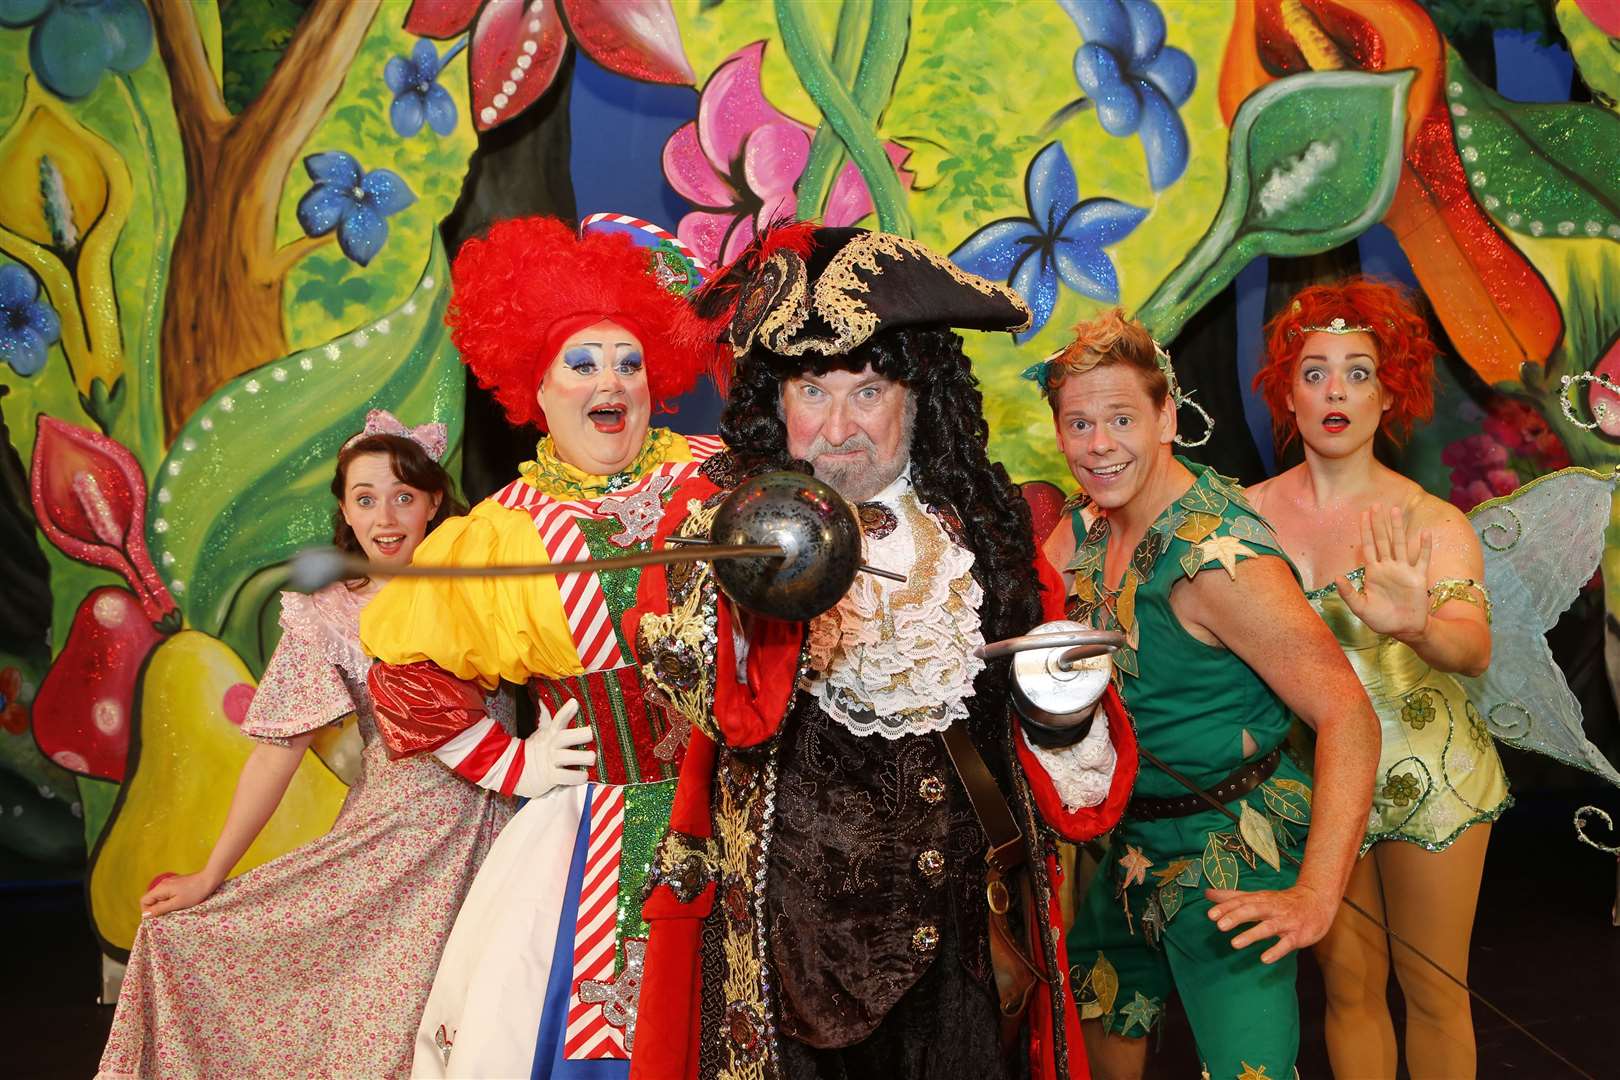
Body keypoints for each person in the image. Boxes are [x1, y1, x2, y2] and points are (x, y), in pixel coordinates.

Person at [627, 224, 1140, 1080]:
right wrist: (756, 584)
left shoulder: (990, 529)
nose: (838, 429)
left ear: (917, 400)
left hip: (968, 958)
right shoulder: (721, 529)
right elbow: (700, 696)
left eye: (868, 392)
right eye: (811, 391)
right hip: (792, 963)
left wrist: (1065, 703)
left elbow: (1062, 770)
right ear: (776, 403)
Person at [359, 214, 719, 1078]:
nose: (613, 382)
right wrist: (510, 763)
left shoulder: (714, 481)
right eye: (584, 363)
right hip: (593, 835)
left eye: (631, 362)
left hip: (740, 818)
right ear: (541, 389)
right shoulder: (504, 533)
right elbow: (405, 673)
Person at [98, 412, 512, 1080]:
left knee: (497, 1024)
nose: (386, 516)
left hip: (506, 831)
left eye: (404, 495)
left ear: (435, 501)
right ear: (345, 510)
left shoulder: (491, 580)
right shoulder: (330, 613)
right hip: (398, 849)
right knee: (394, 1033)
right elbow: (276, 750)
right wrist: (210, 874)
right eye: (366, 497)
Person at [1035, 309, 1380, 1080]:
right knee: (1101, 1042)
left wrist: (1318, 894)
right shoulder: (1079, 535)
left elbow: (1347, 713)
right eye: (1079, 423)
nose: (1099, 444)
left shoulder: (1219, 561)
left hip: (1231, 861)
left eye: (1121, 418)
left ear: (1166, 417)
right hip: (1122, 853)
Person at [1247, 279, 1505, 1079]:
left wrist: (1419, 625)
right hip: (1318, 777)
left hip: (1435, 775)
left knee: (1435, 990)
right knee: (1348, 988)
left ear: (1390, 392)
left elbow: (1473, 647)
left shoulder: (1428, 521)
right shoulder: (1241, 519)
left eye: (1359, 372)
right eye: (1315, 370)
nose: (1337, 390)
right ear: (1287, 393)